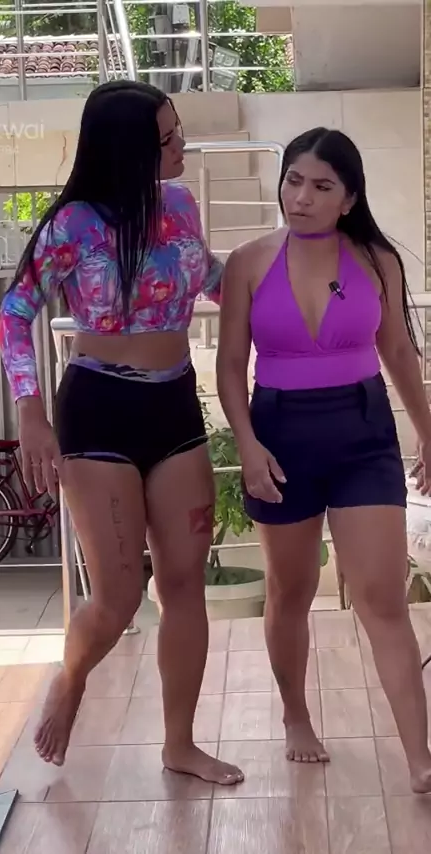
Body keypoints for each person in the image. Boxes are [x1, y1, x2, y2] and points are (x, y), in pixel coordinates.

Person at [0, 80, 244, 786]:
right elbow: (15, 311)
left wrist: (283, 280)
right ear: (129, 150)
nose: (182, 145)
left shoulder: (179, 205)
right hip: (99, 409)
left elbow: (209, 277)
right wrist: (30, 412)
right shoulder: (72, 225)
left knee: (184, 583)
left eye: (178, 130)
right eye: (167, 138)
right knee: (117, 599)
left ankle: (180, 744)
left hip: (174, 405)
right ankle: (71, 678)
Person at [216, 126, 431, 793]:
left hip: (363, 432)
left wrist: (428, 432)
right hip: (280, 435)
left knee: (381, 596)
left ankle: (420, 757)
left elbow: (399, 352)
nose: (302, 197)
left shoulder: (376, 260)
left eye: (321, 185)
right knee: (291, 590)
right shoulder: (248, 261)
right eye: (293, 180)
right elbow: (230, 366)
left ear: (349, 198)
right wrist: (247, 444)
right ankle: (295, 716)